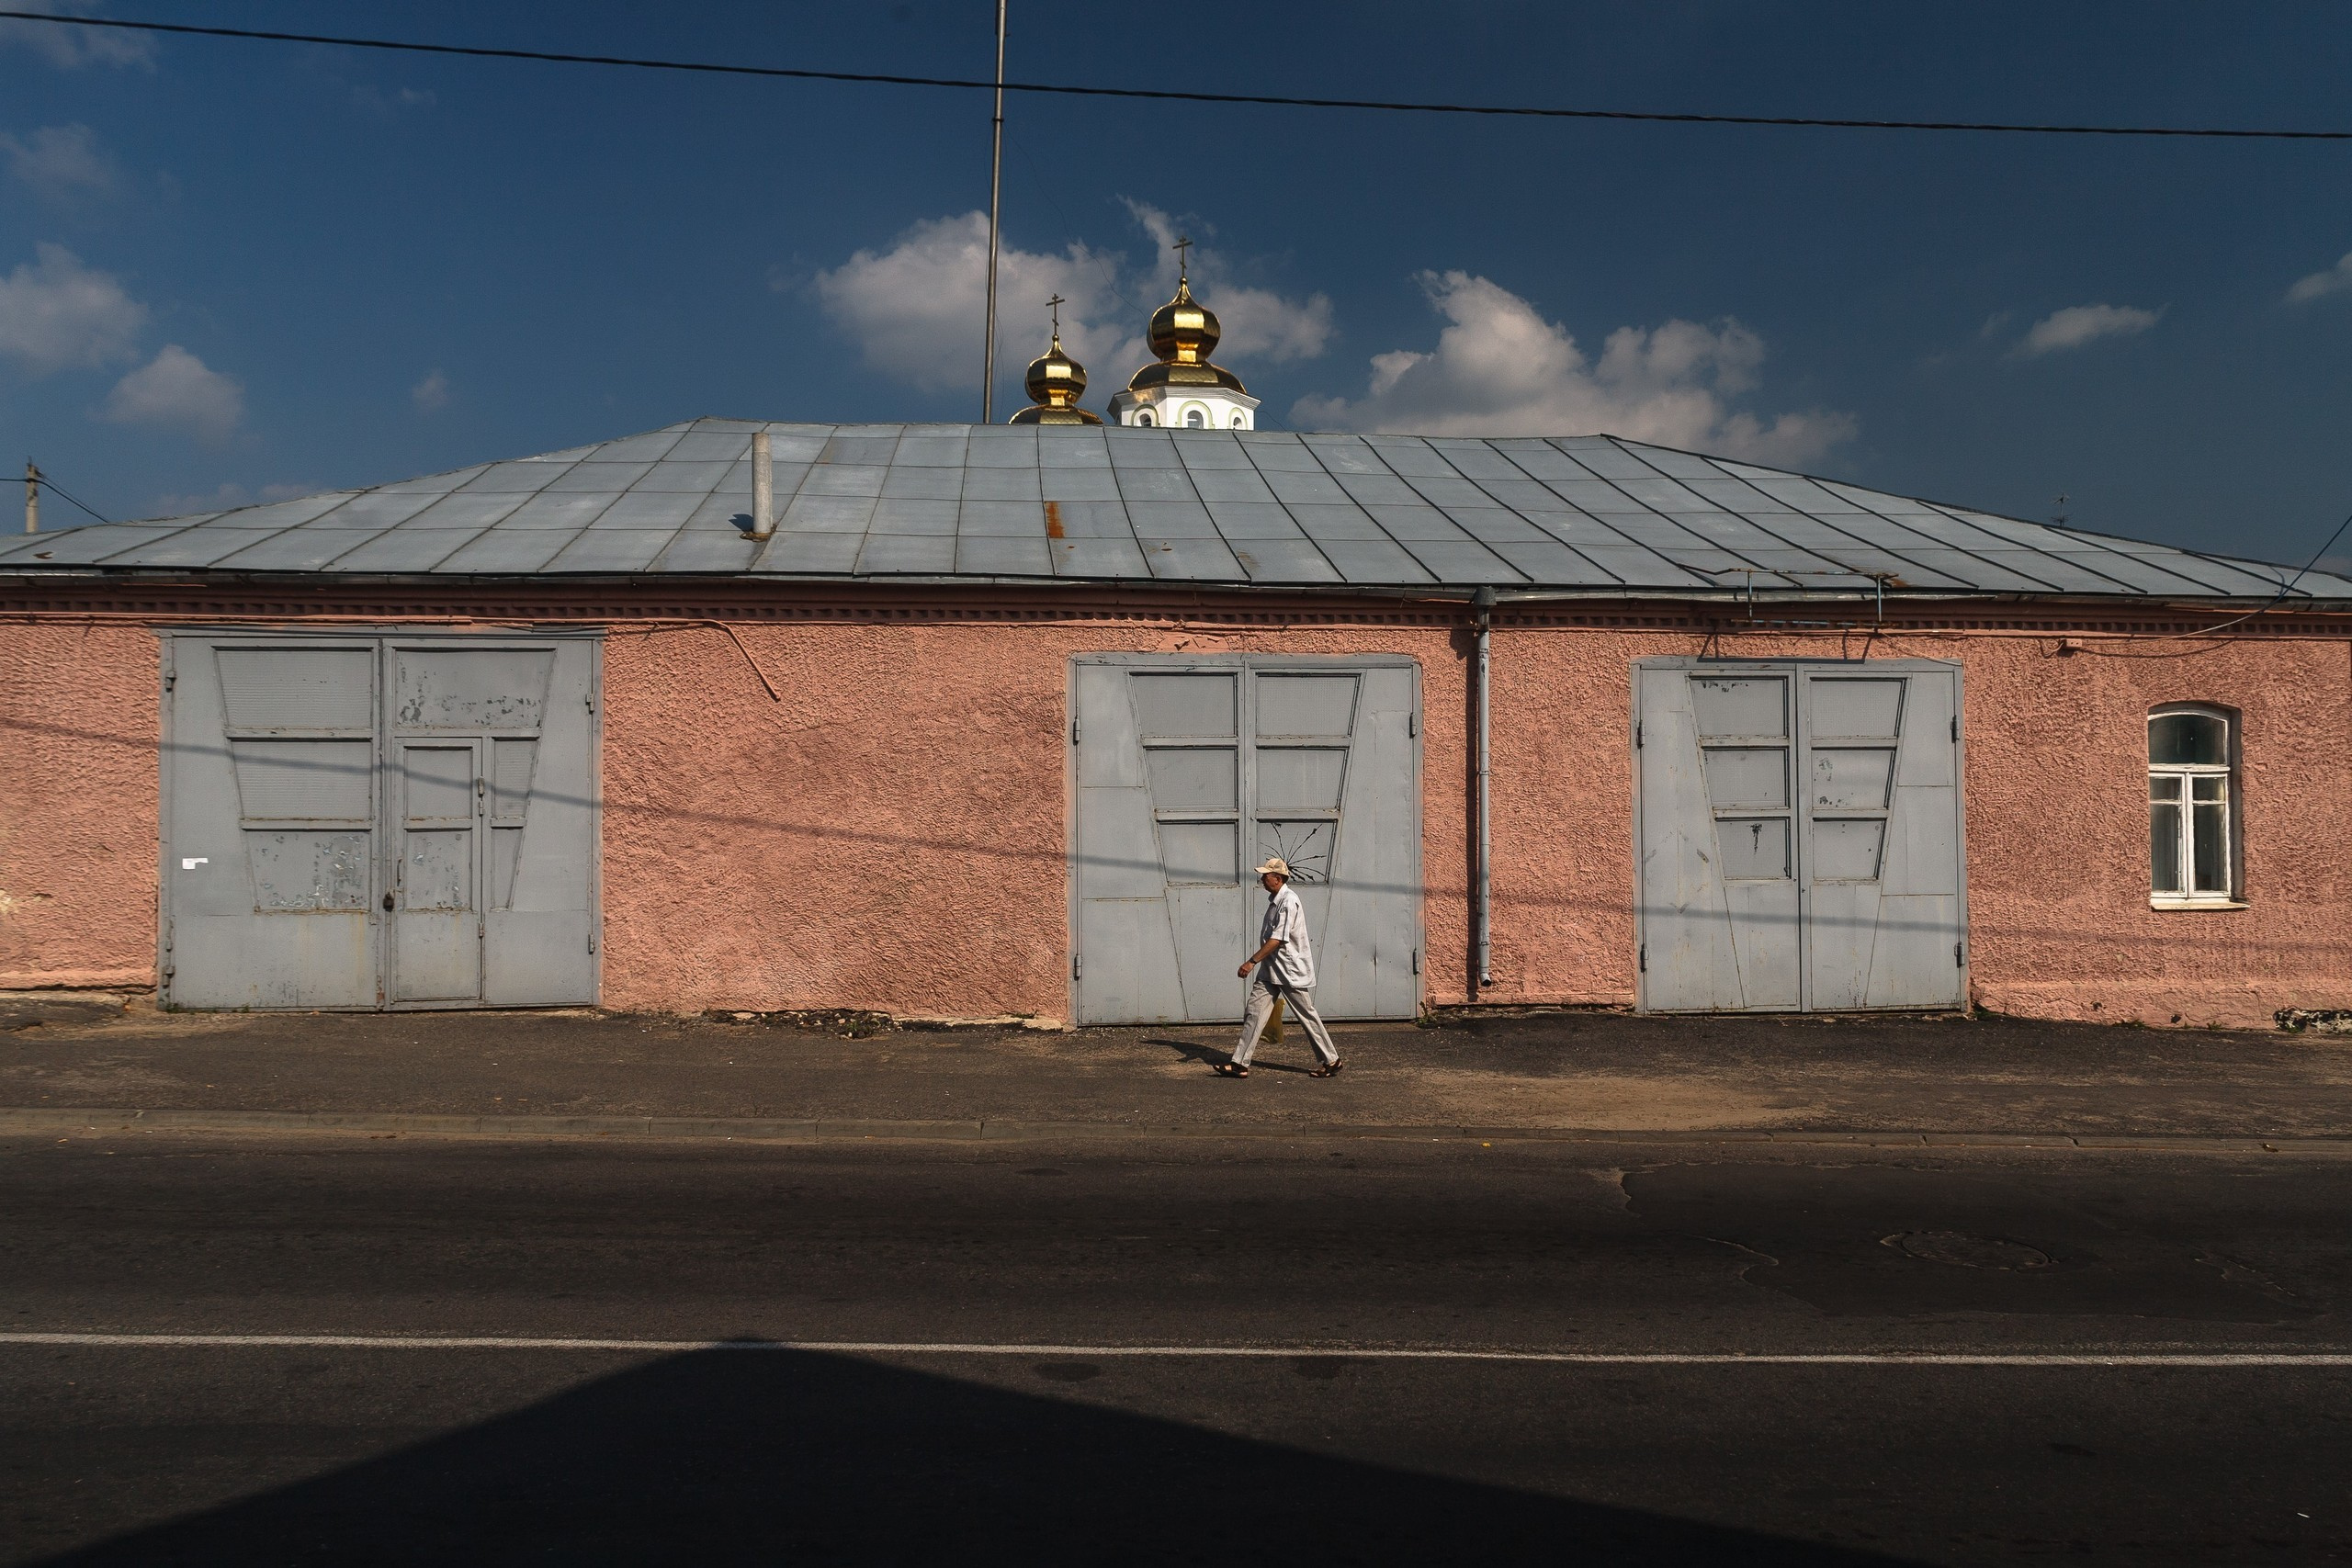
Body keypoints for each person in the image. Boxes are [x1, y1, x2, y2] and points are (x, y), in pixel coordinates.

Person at [1216, 857, 1344, 1078]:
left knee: (1307, 1015)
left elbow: (1278, 939)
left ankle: (1331, 1060)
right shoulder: (1276, 900)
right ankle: (1239, 1064)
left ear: (1278, 878)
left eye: (1266, 876)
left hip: (1289, 970)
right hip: (1271, 969)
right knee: (1254, 1012)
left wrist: (1251, 961)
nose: (1262, 879)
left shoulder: (1288, 901)